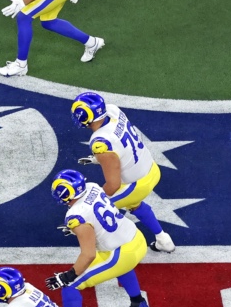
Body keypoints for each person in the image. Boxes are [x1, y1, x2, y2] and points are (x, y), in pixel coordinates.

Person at [73, 91, 173, 252]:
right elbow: (121, 145)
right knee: (134, 205)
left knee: (91, 210)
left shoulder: (100, 143)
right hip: (152, 169)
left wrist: (87, 206)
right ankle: (163, 239)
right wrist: (100, 158)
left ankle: (111, 252)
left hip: (136, 185)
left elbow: (113, 185)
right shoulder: (113, 110)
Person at [45, 168, 148, 307]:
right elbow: (94, 215)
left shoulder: (75, 216)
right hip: (136, 238)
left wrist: (68, 275)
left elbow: (88, 254)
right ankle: (139, 304)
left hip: (121, 253)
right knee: (122, 268)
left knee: (70, 285)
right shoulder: (92, 186)